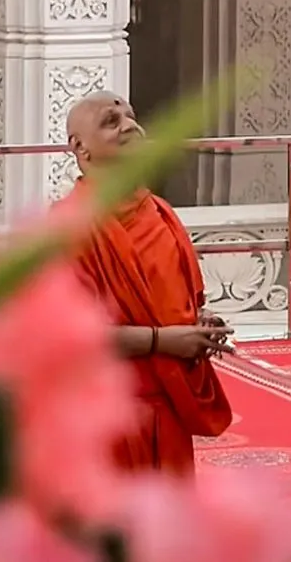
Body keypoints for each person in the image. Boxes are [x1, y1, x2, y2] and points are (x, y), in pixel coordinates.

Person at [63, 91, 233, 475]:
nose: (130, 126)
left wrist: (200, 325)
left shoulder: (160, 213)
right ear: (79, 146)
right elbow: (74, 337)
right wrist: (164, 340)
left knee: (169, 527)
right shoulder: (67, 226)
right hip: (107, 411)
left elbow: (182, 302)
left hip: (169, 405)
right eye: (111, 121)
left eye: (131, 116)